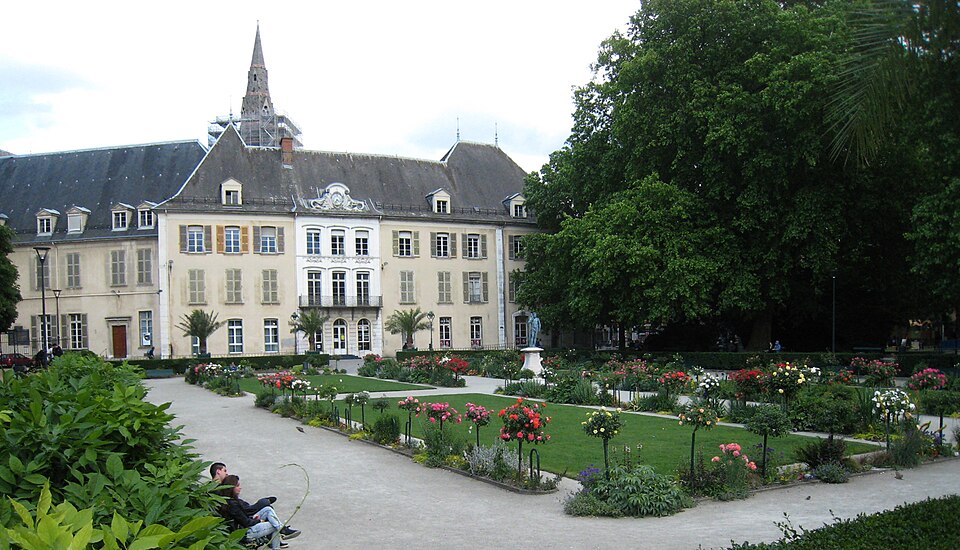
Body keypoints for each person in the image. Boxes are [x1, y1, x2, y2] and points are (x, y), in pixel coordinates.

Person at [216, 475, 299, 549]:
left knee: (268, 509)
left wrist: (253, 518)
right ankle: (281, 534)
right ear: (231, 488)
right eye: (237, 486)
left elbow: (242, 518)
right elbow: (246, 523)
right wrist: (259, 521)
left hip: (244, 525)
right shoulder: (233, 505)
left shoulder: (231, 500)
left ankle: (282, 530)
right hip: (245, 532)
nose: (240, 487)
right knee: (273, 524)